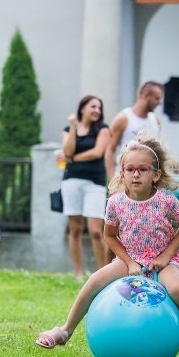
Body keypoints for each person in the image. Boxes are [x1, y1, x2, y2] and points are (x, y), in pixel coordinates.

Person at [36, 133, 179, 357]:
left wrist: (165, 256)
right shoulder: (115, 202)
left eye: (143, 169)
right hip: (129, 259)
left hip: (165, 261)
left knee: (176, 288)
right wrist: (129, 262)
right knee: (95, 280)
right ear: (122, 173)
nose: (136, 174)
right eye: (130, 169)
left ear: (156, 174)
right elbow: (109, 236)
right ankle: (64, 330)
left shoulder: (166, 200)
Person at [56, 95, 110, 281]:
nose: (97, 110)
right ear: (82, 109)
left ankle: (103, 274)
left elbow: (97, 152)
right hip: (71, 181)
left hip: (94, 183)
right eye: (93, 106)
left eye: (99, 108)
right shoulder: (68, 130)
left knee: (96, 230)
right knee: (75, 229)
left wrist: (71, 159)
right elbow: (68, 150)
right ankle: (78, 273)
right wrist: (73, 127)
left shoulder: (103, 129)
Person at [105, 81, 163, 180]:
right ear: (146, 96)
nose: (159, 103)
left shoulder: (155, 120)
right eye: (157, 98)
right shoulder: (123, 118)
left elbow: (158, 151)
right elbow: (110, 150)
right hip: (126, 176)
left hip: (148, 179)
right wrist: (112, 181)